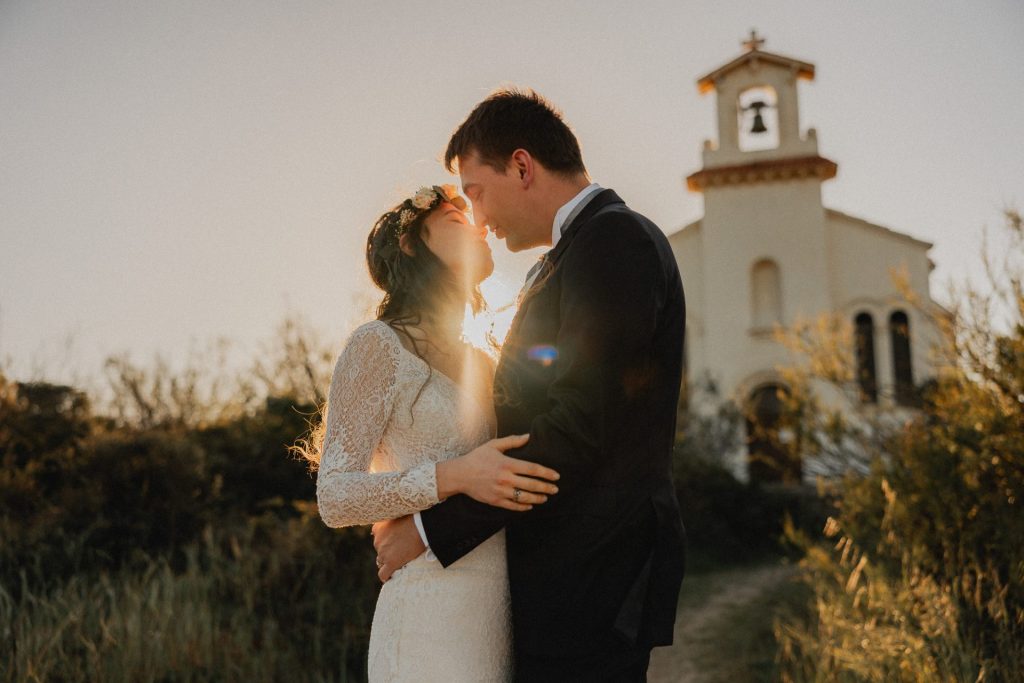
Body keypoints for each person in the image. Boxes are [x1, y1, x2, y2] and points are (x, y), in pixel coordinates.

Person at [372, 89, 688, 681]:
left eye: (476, 193)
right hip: (564, 575)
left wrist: (429, 530)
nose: (480, 220)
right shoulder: (570, 255)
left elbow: (580, 424)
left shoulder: (615, 241)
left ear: (522, 166)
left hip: (591, 573)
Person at [305, 183, 560, 681]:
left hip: (497, 612)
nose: (480, 228)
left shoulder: (486, 360)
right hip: (427, 612)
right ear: (410, 244)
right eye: (457, 222)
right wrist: (453, 476)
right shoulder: (377, 345)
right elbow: (334, 495)